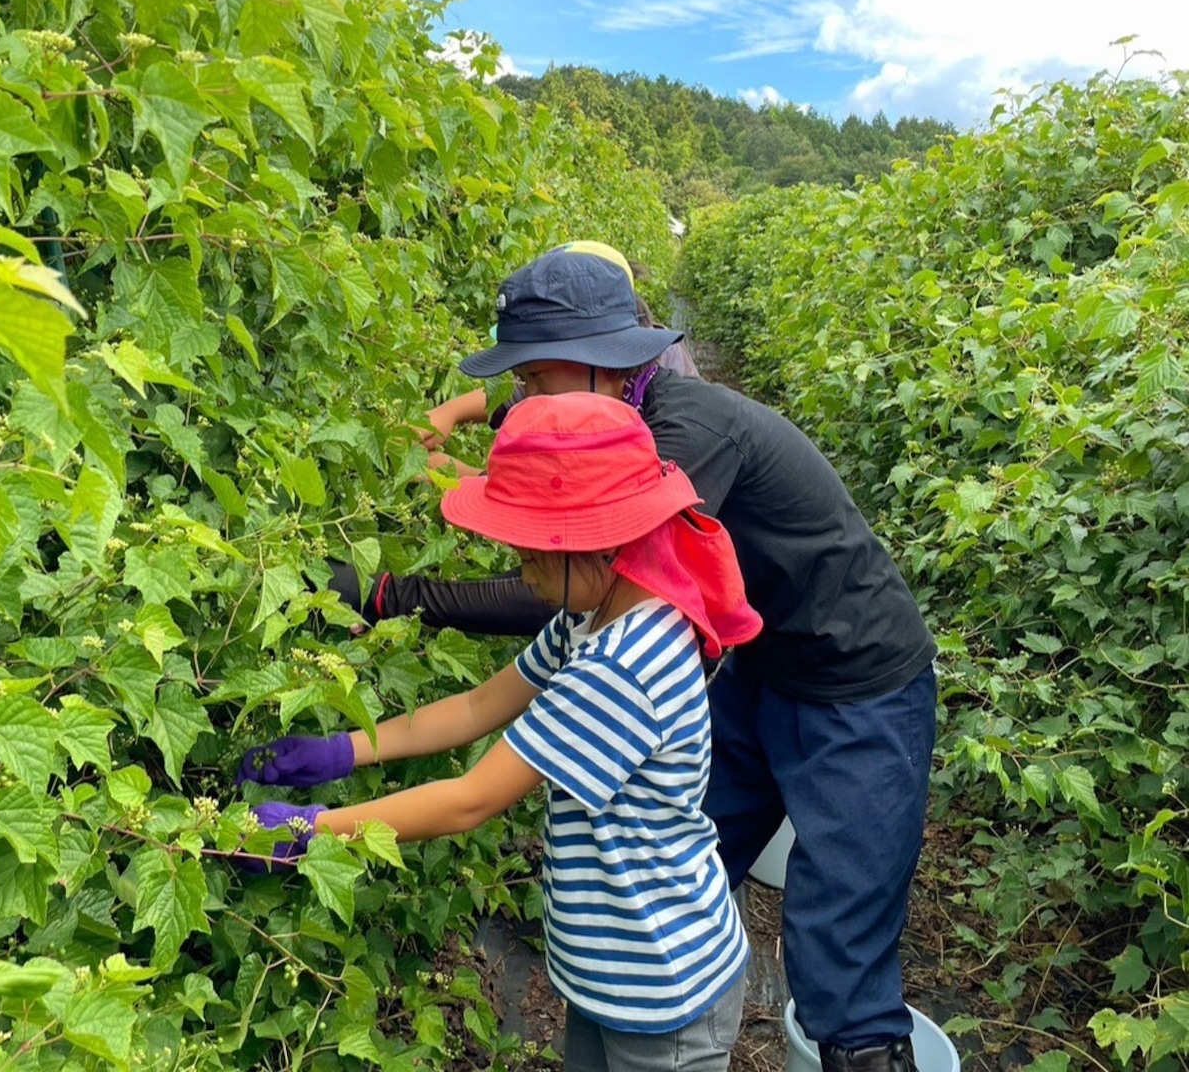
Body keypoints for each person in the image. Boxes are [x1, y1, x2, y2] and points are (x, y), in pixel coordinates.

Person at [318, 250, 937, 1072]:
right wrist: (453, 424)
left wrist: (390, 596)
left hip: (857, 677)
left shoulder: (671, 456)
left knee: (839, 943)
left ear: (609, 364)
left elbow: (537, 611)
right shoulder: (606, 453)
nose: (523, 398)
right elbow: (542, 561)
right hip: (762, 668)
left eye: (535, 379)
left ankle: (852, 1045)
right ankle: (676, 974)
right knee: (688, 837)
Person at [239, 393, 762, 1071]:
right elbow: (480, 704)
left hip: (662, 991)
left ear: (596, 541)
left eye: (533, 554)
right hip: (613, 974)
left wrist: (310, 832)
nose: (522, 572)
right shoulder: (593, 615)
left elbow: (472, 800)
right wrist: (344, 751)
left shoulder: (624, 665)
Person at [419, 240, 697, 478]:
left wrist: (467, 478)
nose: (531, 394)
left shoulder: (680, 426)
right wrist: (450, 412)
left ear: (600, 355)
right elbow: (533, 391)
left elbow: (596, 504)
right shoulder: (602, 378)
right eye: (523, 377)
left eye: (535, 375)